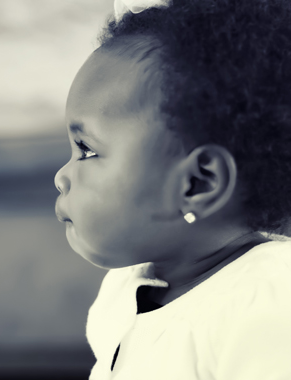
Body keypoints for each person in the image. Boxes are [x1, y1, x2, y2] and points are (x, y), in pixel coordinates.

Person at [53, 0, 291, 378]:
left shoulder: (268, 304)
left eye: (88, 151)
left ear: (198, 183)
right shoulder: (125, 288)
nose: (61, 176)